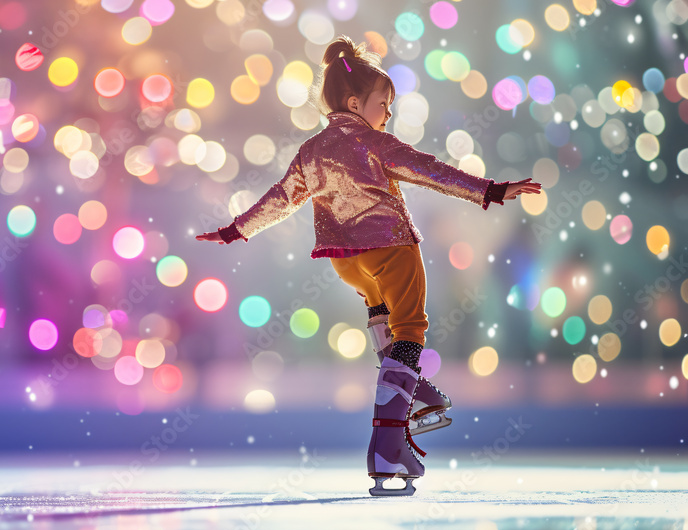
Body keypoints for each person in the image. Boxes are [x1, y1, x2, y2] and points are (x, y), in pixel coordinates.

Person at [196, 35, 542, 496]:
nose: (389, 113)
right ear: (357, 102)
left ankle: (411, 389)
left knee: (385, 320)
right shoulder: (374, 142)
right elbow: (432, 170)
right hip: (392, 249)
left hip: (347, 263)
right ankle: (387, 441)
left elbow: (280, 199)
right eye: (385, 103)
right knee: (411, 330)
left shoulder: (311, 151)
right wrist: (491, 190)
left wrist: (236, 229)